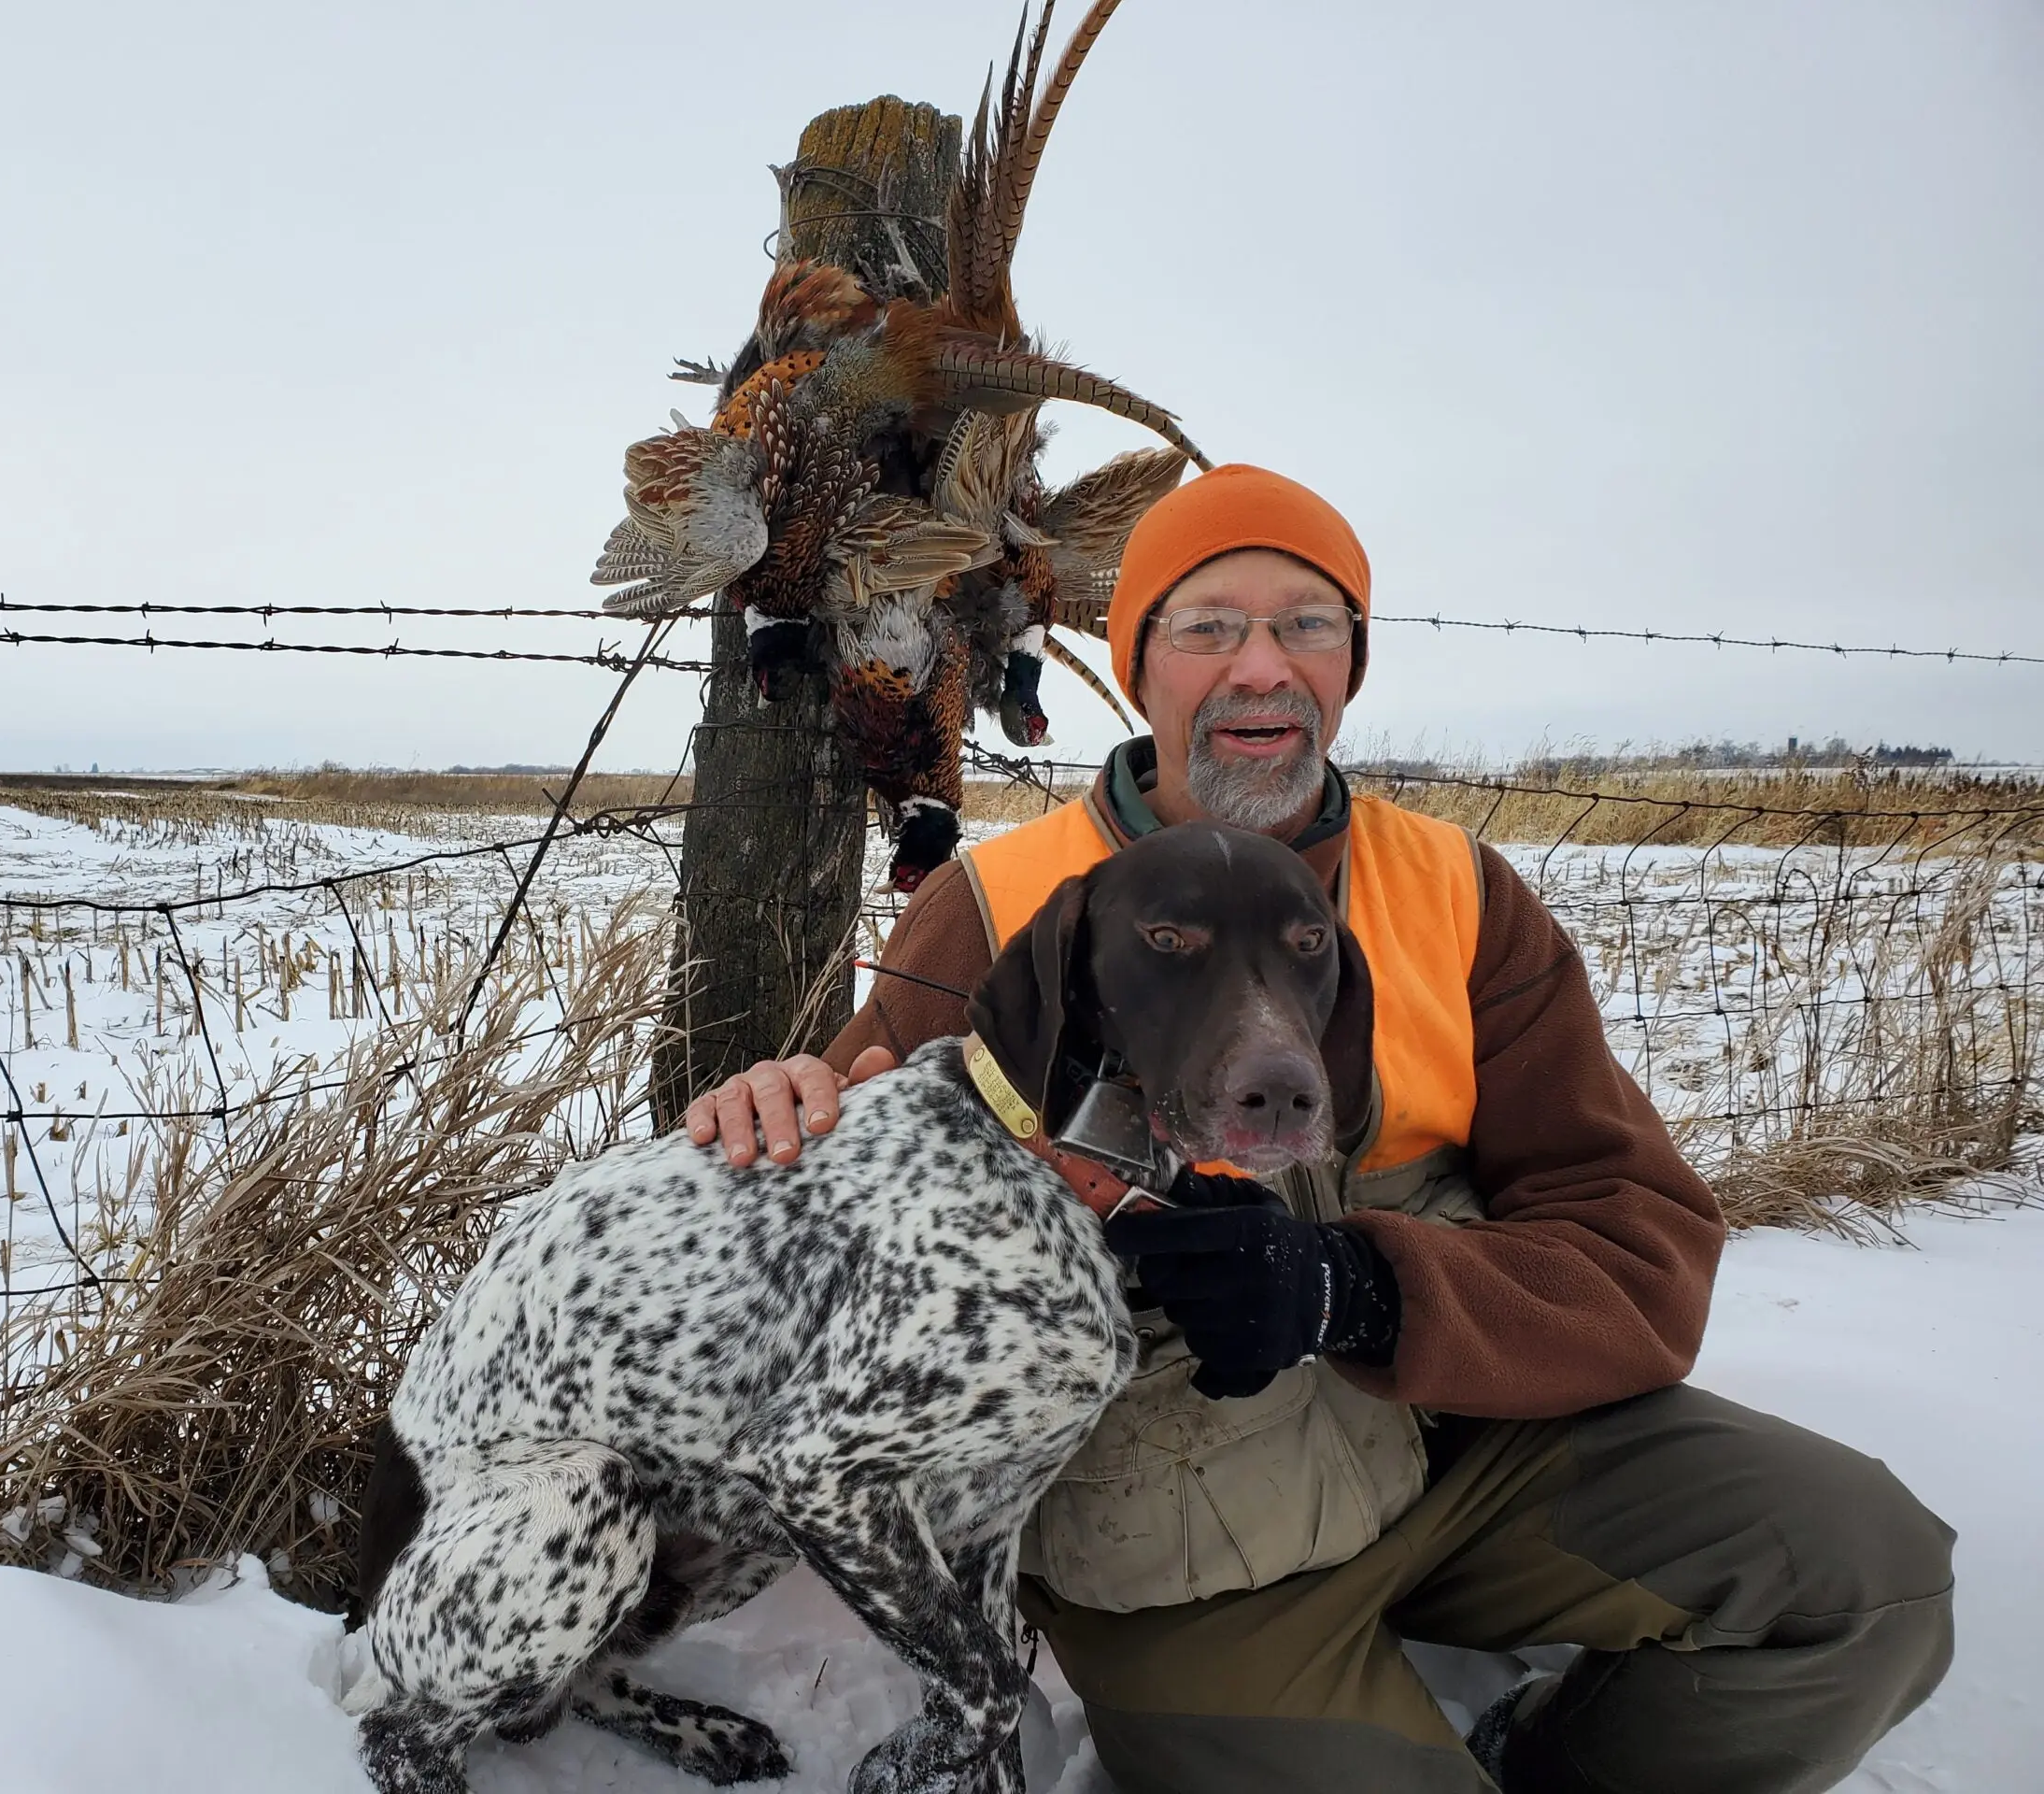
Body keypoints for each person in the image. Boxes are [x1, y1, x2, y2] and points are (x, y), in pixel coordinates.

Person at [685, 464, 1956, 1793]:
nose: (1261, 669)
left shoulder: (1459, 896)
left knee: (1868, 1579)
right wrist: (766, 1109)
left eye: (1308, 624)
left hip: (1466, 1458)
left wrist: (1361, 1289)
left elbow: (1636, 1251)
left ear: (1352, 663)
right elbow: (832, 1198)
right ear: (1138, 667)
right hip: (1182, 1565)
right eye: (1206, 627)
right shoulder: (1000, 904)